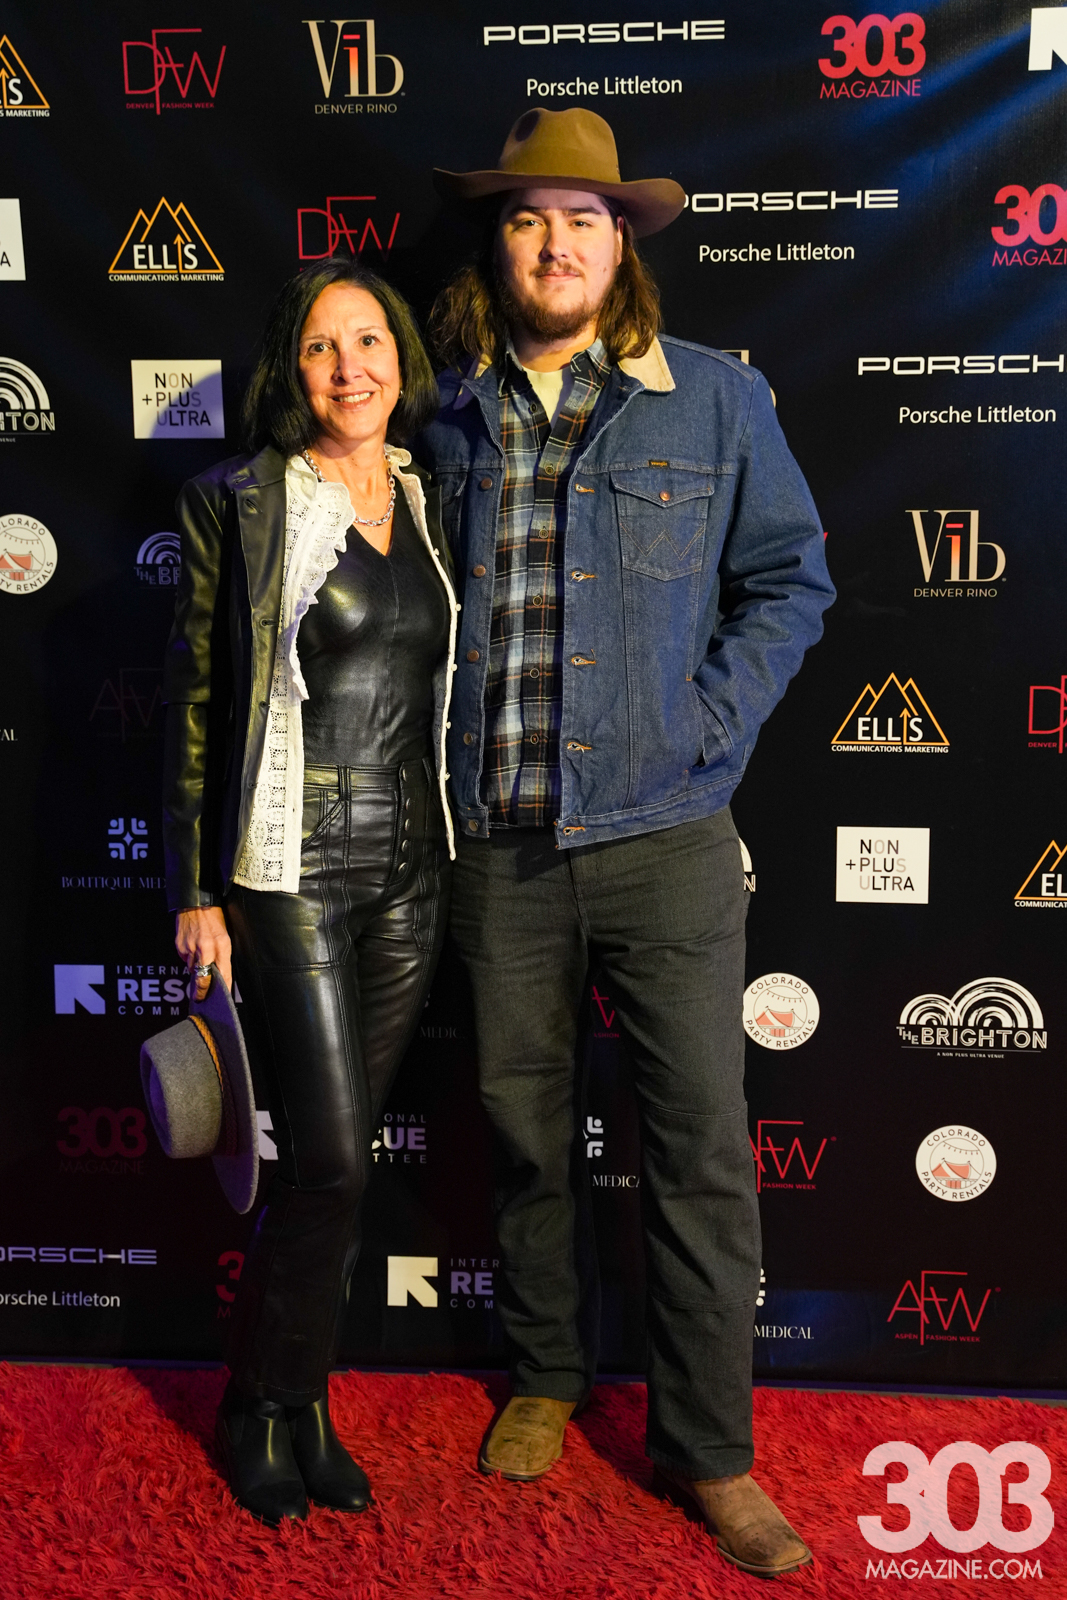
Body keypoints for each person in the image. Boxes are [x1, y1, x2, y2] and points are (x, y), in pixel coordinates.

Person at [418, 108, 835, 1579]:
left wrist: (702, 724)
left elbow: (789, 582)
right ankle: (544, 1375)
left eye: (582, 220)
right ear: (498, 243)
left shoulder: (712, 398)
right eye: (529, 217)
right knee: (524, 1133)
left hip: (665, 838)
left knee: (699, 1149)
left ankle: (709, 1448)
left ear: (622, 243)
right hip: (496, 846)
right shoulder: (437, 413)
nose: (555, 243)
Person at [162, 258, 458, 1527]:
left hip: (412, 871)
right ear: (293, 368)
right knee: (329, 1159)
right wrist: (195, 887)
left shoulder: (429, 494)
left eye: (370, 340)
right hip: (288, 868)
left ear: (400, 358)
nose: (351, 367)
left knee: (335, 1167)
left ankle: (302, 1401)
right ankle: (258, 1404)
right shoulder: (237, 501)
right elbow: (195, 698)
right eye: (324, 346)